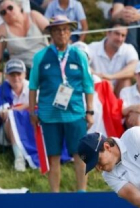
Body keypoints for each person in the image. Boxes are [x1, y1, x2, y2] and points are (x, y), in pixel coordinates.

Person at [28, 15, 94, 193]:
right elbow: (33, 86)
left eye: (65, 29)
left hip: (75, 113)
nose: (62, 33)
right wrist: (32, 112)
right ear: (51, 33)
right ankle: (54, 194)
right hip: (49, 116)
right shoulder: (40, 57)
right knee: (53, 156)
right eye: (57, 30)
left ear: (70, 32)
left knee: (80, 154)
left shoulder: (79, 55)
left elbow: (88, 84)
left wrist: (90, 111)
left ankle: (82, 191)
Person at [0, 0, 48, 80]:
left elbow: (54, 33)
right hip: (21, 69)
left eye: (10, 8)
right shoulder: (2, 30)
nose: (8, 12)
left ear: (19, 7)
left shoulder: (34, 16)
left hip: (45, 63)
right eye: (3, 12)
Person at [87, 19, 137, 97]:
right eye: (117, 34)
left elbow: (134, 68)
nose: (120, 39)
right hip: (97, 89)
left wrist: (111, 77)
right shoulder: (93, 47)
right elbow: (82, 64)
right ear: (108, 33)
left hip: (118, 89)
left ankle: (124, 108)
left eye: (123, 35)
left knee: (125, 80)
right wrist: (99, 77)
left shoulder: (128, 48)